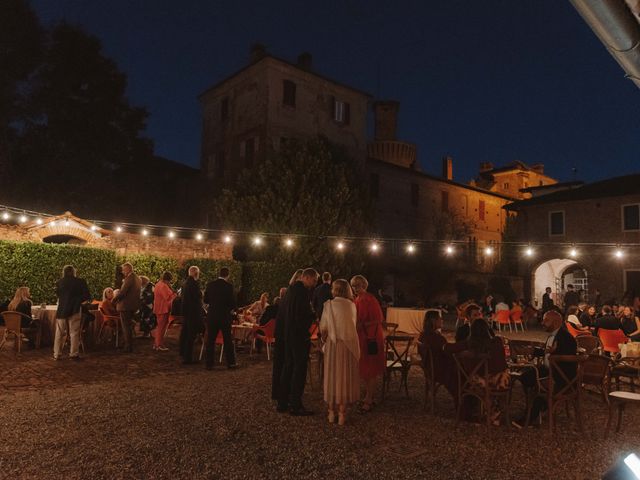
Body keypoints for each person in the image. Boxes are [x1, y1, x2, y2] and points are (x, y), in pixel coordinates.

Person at [512, 310, 577, 428]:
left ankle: (532, 413)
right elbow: (547, 352)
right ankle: (531, 404)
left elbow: (567, 361)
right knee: (525, 377)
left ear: (556, 322)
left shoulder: (566, 338)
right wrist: (532, 351)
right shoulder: (553, 335)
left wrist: (554, 354)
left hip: (561, 377)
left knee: (540, 391)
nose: (542, 323)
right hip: (548, 370)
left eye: (546, 320)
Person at [277, 268, 319, 416]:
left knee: (288, 366)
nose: (314, 284)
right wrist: (313, 315)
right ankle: (296, 404)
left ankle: (282, 402)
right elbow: (301, 315)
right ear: (306, 277)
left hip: (288, 334)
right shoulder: (302, 292)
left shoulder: (290, 290)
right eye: (314, 280)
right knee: (299, 369)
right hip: (299, 336)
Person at [319, 279, 360, 426]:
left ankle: (331, 413)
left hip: (333, 344)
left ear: (334, 290)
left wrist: (323, 339)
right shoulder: (351, 306)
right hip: (348, 345)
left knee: (332, 376)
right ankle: (342, 414)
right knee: (344, 378)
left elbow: (323, 328)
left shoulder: (328, 305)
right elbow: (352, 325)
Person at [350, 274, 385, 414]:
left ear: (364, 285)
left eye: (357, 285)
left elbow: (377, 319)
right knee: (365, 368)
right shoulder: (359, 299)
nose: (355, 288)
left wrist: (360, 324)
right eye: (353, 286)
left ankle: (369, 399)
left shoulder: (368, 299)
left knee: (370, 369)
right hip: (364, 336)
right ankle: (368, 396)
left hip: (370, 337)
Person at [203, 267, 238, 369]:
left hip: (212, 316)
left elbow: (206, 300)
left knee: (210, 340)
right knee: (227, 340)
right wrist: (232, 309)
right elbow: (232, 303)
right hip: (224, 316)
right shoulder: (229, 287)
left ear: (219, 274)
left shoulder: (210, 285)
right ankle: (230, 363)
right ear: (228, 275)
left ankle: (209, 364)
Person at [418, 310, 456, 401]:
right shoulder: (435, 338)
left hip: (430, 368)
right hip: (439, 370)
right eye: (440, 318)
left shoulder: (423, 335)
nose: (442, 320)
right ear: (433, 321)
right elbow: (447, 351)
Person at [54, 265, 91, 360]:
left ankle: (57, 354)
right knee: (74, 332)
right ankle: (73, 354)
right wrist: (78, 301)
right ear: (74, 272)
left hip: (62, 309)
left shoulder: (59, 282)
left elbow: (58, 295)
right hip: (75, 308)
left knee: (59, 332)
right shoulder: (80, 282)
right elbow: (87, 295)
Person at [113, 262, 141, 353]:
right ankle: (128, 344)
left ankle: (128, 346)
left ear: (128, 269)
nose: (122, 272)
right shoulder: (137, 278)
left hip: (125, 306)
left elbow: (122, 292)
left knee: (126, 327)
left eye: (123, 270)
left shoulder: (129, 278)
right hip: (133, 306)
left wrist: (114, 299)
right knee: (129, 326)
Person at [179, 265, 203, 364]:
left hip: (186, 312)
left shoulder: (185, 283)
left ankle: (182, 352)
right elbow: (198, 297)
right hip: (193, 312)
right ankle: (187, 358)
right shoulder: (194, 283)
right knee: (191, 335)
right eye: (198, 273)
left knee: (185, 333)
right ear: (195, 273)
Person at [152, 271, 176, 351]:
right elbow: (168, 297)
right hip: (163, 308)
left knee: (160, 327)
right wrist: (174, 294)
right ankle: (159, 345)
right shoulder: (163, 286)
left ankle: (157, 344)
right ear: (168, 279)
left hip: (159, 308)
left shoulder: (158, 284)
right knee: (161, 328)